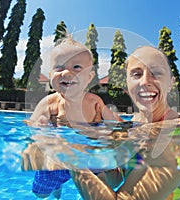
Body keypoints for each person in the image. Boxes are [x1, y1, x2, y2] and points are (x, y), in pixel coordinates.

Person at [70, 46, 180, 199]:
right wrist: (94, 163)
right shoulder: (128, 129)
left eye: (157, 73)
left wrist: (72, 162)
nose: (145, 81)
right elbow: (117, 179)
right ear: (127, 84)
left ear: (171, 83)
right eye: (136, 74)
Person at [25, 37, 123, 198]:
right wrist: (39, 127)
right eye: (59, 67)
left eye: (76, 67)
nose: (66, 72)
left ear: (89, 77)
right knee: (40, 194)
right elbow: (33, 125)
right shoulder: (49, 103)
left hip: (88, 156)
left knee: (111, 181)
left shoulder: (94, 101)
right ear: (50, 75)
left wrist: (123, 130)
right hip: (57, 160)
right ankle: (57, 188)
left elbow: (114, 121)